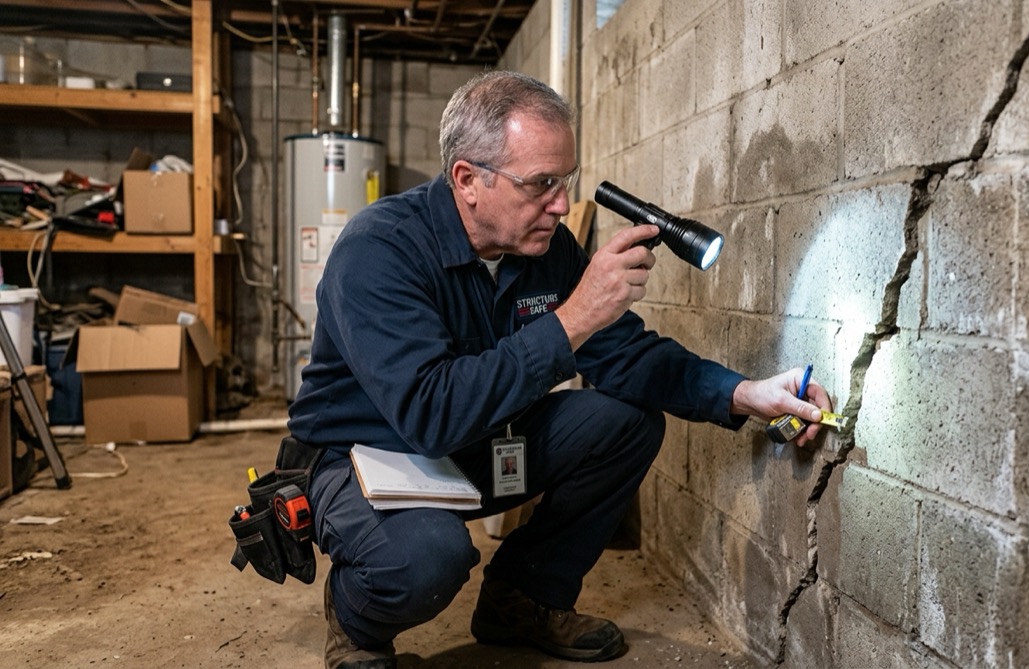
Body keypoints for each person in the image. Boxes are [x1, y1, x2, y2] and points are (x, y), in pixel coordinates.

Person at [284, 70, 832, 669]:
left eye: (564, 181)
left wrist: (745, 393)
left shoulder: (542, 250)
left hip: (472, 444)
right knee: (426, 559)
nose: (560, 205)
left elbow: (628, 356)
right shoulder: (380, 248)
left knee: (624, 421)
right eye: (541, 184)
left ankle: (522, 598)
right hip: (365, 458)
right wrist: (573, 319)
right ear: (468, 179)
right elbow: (430, 415)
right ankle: (358, 625)